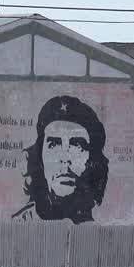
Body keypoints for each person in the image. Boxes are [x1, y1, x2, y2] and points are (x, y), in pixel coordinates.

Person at [12, 95, 109, 224]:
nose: (65, 158)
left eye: (77, 145)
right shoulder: (19, 224)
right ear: (40, 158)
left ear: (92, 161)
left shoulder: (100, 226)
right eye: (54, 144)